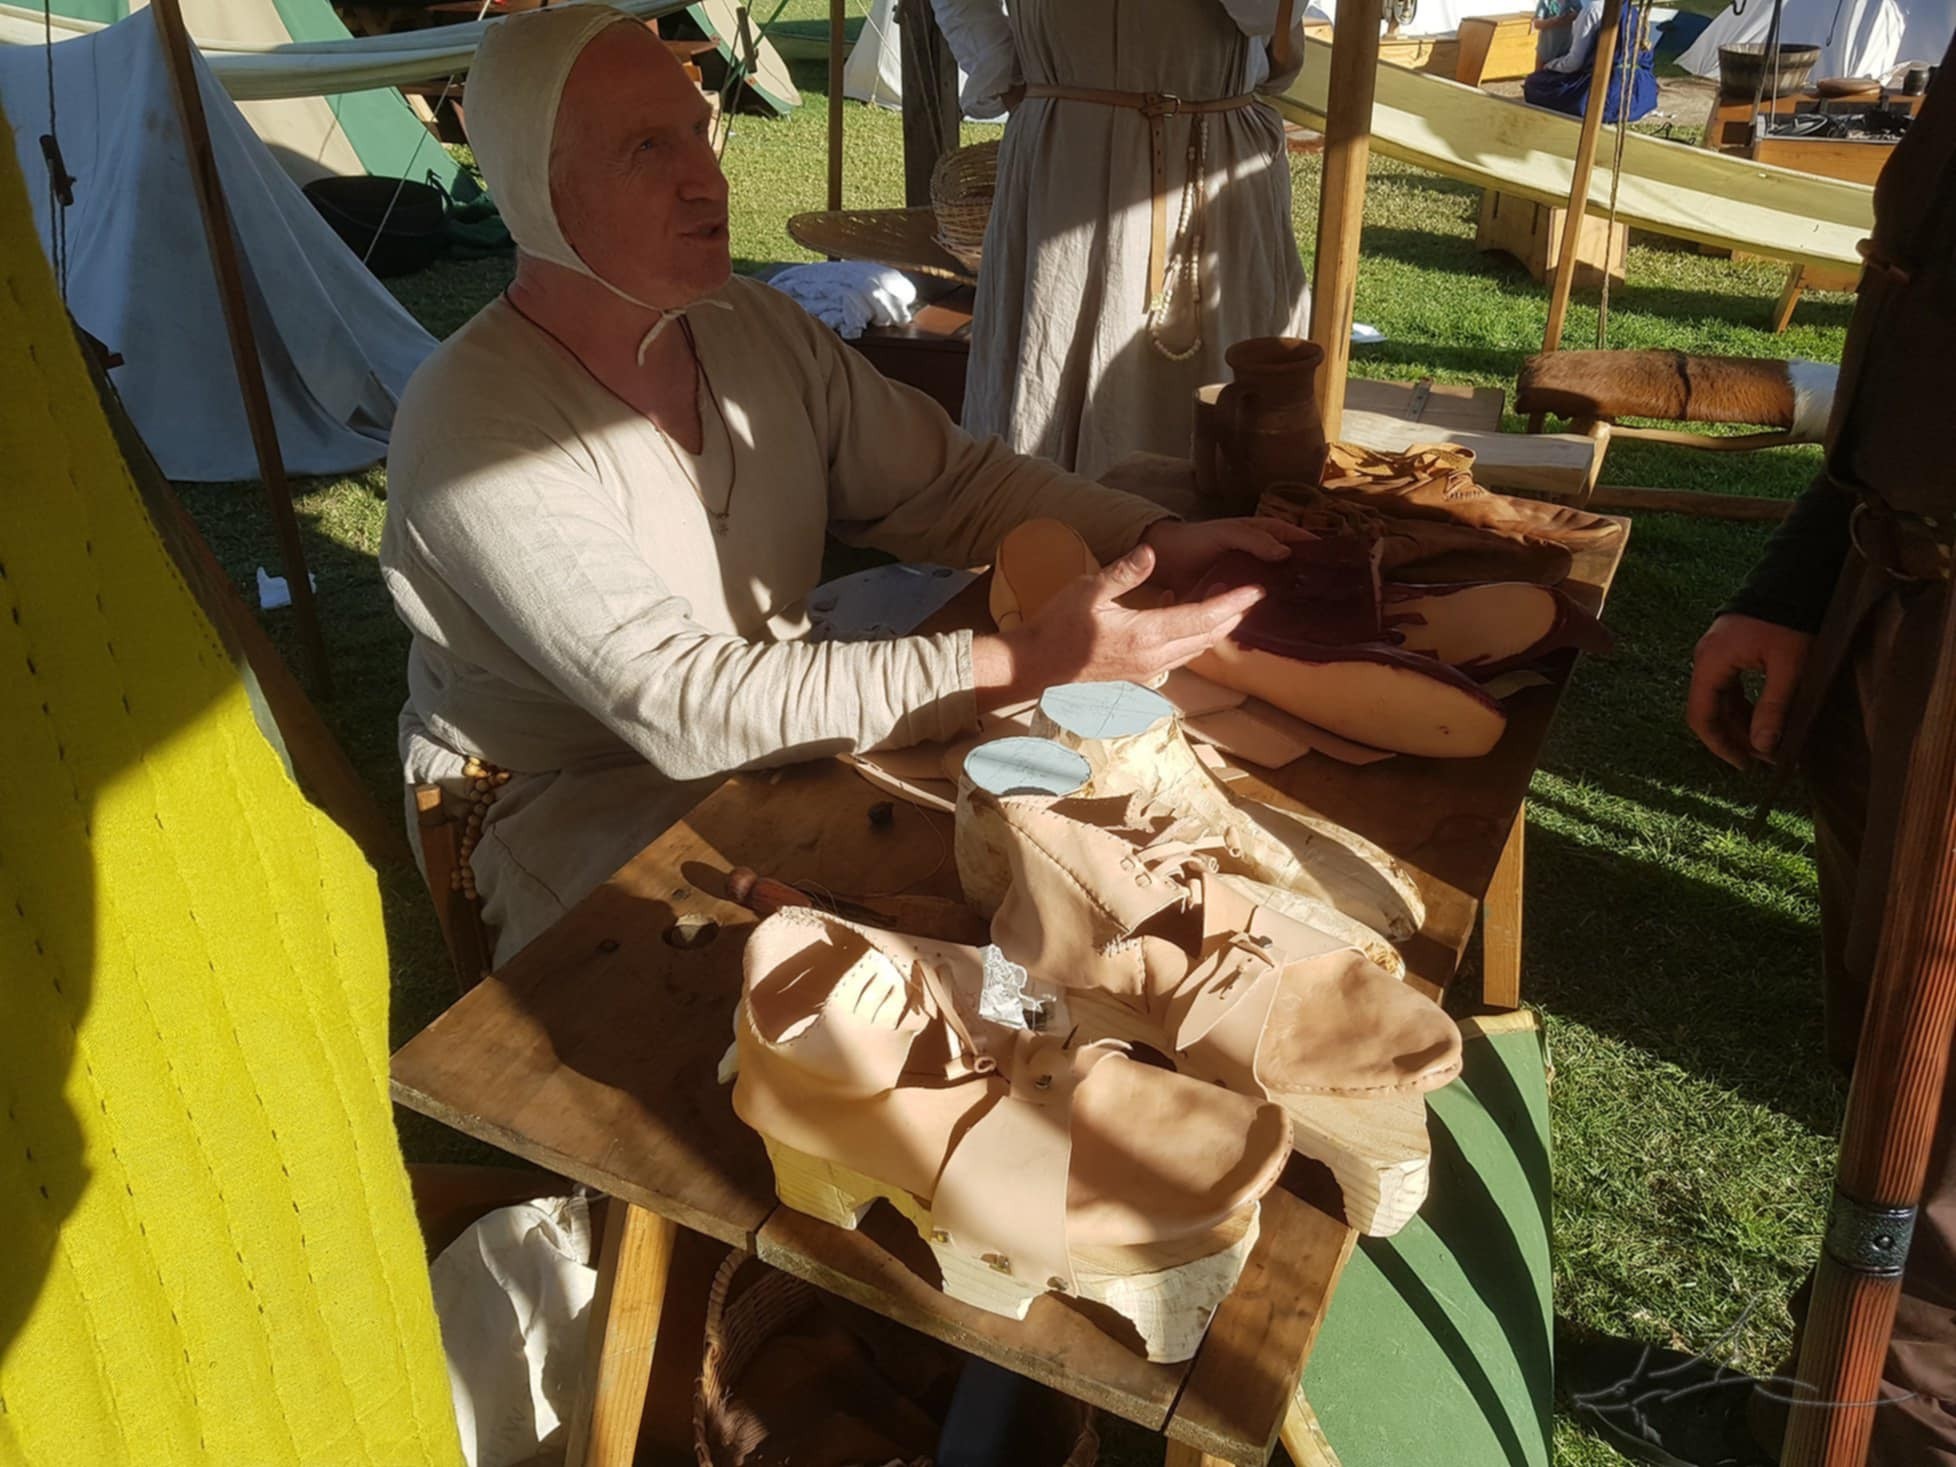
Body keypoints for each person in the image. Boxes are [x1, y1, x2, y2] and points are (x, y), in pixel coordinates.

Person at [379, 4, 1307, 964]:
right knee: (811, 1003)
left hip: (772, 715)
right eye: (647, 149)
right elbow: (680, 705)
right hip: (569, 786)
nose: (708, 180)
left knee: (1029, 879)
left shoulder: (749, 329)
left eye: (700, 132)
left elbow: (953, 486)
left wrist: (1151, 533)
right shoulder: (477, 427)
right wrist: (1024, 660)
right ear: (538, 188)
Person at [1568, 41, 1956, 1467]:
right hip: (1896, 600)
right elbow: (1914, 328)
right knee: (1891, 1059)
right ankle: (1826, 1390)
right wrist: (1802, 579)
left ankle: (1884, 1430)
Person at [930, 0, 1312, 479]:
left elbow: (1259, 13)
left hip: (1202, 144)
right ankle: (1058, 535)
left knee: (1223, 373)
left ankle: (1210, 537)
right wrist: (1002, 68)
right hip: (1070, 146)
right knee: (1057, 355)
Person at [1521, 0, 1657, 122]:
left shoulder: (1593, 10)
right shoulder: (1632, 11)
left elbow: (1574, 63)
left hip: (1608, 90)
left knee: (1535, 83)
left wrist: (1550, 66)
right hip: (1642, 93)